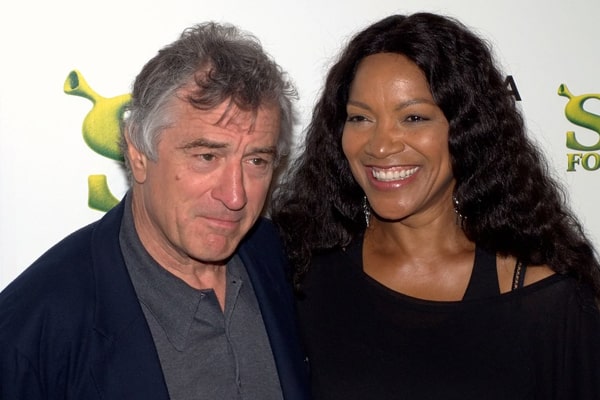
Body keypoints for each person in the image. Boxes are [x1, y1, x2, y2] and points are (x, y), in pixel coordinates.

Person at [271, 12, 600, 399]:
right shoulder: (298, 268)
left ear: (466, 129)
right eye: (360, 117)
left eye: (413, 117)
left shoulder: (548, 301)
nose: (381, 145)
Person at [0, 22, 310, 400]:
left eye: (256, 161)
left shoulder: (281, 257)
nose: (235, 196)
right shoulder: (36, 326)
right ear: (138, 154)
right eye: (207, 156)